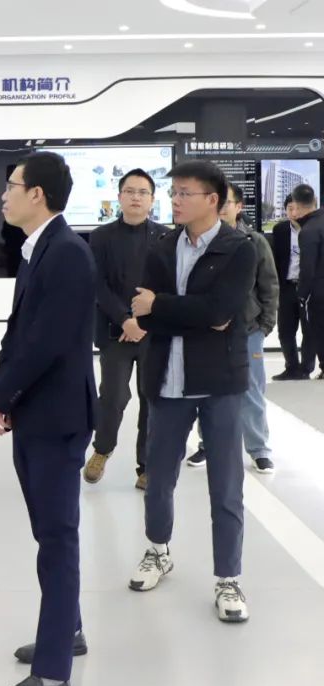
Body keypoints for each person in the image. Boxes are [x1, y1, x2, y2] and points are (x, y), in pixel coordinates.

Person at [0, 152, 97, 686]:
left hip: (57, 418)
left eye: (12, 185)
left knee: (57, 540)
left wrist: (0, 396)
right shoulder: (37, 249)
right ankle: (67, 630)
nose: (4, 194)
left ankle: (52, 675)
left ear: (38, 195)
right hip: (35, 413)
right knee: (48, 532)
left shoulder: (67, 253)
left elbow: (47, 342)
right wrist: (0, 395)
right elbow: (18, 335)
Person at [129, 161, 257, 623]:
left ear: (213, 200)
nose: (175, 200)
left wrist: (163, 306)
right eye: (174, 192)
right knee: (158, 477)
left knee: (225, 485)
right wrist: (184, 313)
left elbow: (221, 312)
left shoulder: (239, 248)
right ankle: (157, 550)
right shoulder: (162, 247)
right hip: (166, 379)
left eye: (185, 193)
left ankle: (229, 577)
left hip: (219, 381)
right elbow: (143, 314)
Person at [185, 184, 279, 473]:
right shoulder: (199, 240)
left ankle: (259, 449)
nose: (221, 207)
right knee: (208, 389)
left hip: (248, 330)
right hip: (209, 331)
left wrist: (264, 325)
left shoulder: (254, 241)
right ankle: (207, 444)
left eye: (227, 202)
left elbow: (269, 285)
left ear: (239, 207)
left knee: (251, 390)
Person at [84, 169, 166, 491]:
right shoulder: (101, 236)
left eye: (143, 192)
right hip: (114, 330)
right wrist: (124, 320)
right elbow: (97, 284)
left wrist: (142, 323)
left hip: (152, 333)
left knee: (151, 398)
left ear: (152, 200)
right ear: (119, 197)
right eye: (130, 191)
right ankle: (102, 449)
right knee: (113, 395)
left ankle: (147, 464)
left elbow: (168, 286)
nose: (136, 197)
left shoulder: (165, 237)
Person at [271, 187, 318, 380]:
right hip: (287, 286)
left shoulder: (314, 228)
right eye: (289, 208)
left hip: (310, 287)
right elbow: (275, 259)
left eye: (296, 208)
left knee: (310, 330)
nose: (294, 213)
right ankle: (291, 367)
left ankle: (306, 368)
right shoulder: (280, 230)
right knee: (285, 330)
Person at [297, 193, 324, 377]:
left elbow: (307, 268)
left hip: (319, 292)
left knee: (319, 330)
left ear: (297, 205)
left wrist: (302, 294)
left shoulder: (308, 230)